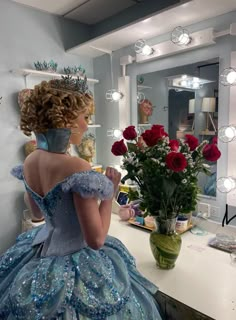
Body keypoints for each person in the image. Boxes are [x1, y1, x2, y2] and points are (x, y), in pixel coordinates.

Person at [0, 75, 163, 320]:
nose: (86, 126)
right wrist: (110, 192)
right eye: (84, 118)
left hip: (40, 250)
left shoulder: (31, 159)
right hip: (77, 260)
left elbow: (35, 214)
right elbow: (96, 239)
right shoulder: (77, 166)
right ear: (65, 121)